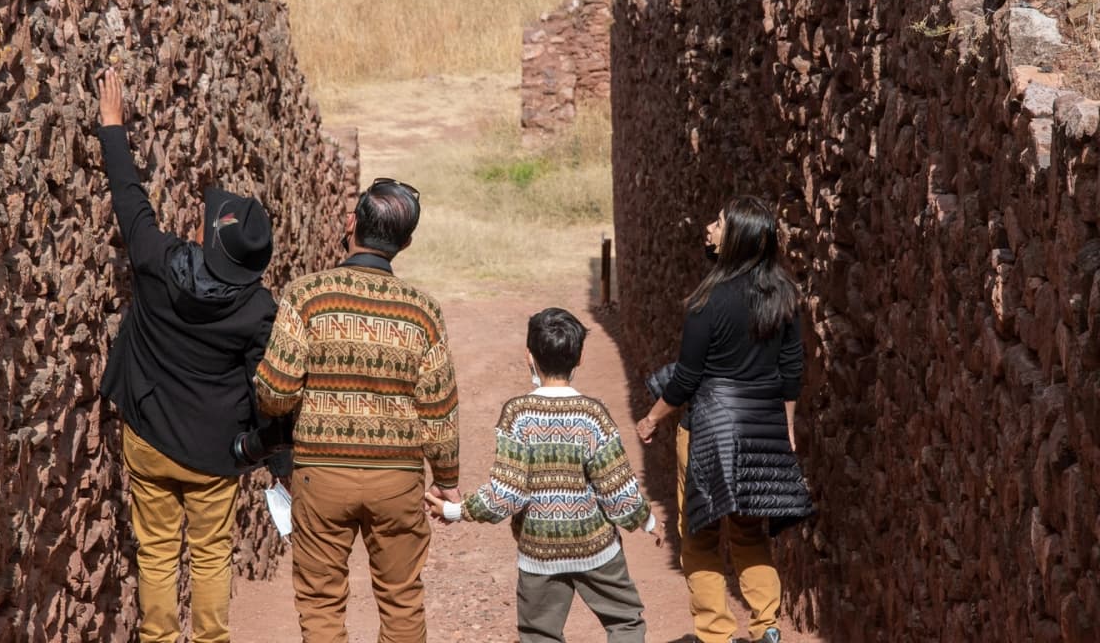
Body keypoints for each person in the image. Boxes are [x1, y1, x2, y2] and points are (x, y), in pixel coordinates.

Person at [94, 69, 280, 643]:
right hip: (214, 452)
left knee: (155, 555)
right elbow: (266, 389)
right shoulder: (258, 311)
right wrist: (269, 451)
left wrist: (111, 127)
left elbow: (131, 202)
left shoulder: (157, 262)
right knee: (210, 556)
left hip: (148, 436)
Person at [254, 177, 460, 643]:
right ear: (405, 243)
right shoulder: (422, 311)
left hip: (321, 477)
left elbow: (275, 394)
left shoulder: (307, 296)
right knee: (402, 598)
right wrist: (446, 480)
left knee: (321, 602)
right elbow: (439, 409)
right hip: (397, 481)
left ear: (351, 223)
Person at [425, 307, 664, 643]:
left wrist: (455, 510)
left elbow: (507, 494)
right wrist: (647, 521)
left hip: (538, 552)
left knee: (539, 633)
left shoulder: (517, 414)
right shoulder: (593, 414)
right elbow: (616, 487)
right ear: (579, 359)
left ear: (528, 356)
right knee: (625, 622)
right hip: (596, 548)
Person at [635, 196, 813, 643]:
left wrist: (653, 418)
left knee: (698, 533)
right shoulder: (785, 295)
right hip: (762, 425)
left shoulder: (707, 301)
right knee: (751, 531)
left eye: (717, 223)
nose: (708, 228)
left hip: (711, 428)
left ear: (736, 237)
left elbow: (688, 378)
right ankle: (767, 625)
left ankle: (715, 633)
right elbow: (791, 369)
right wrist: (787, 422)